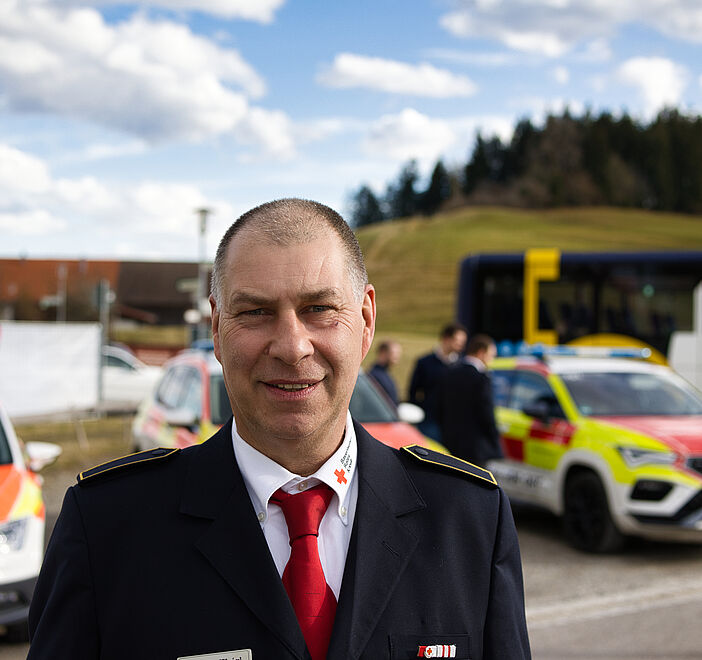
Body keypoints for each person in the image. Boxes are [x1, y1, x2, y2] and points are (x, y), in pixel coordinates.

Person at [27, 199, 530, 659]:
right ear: (217, 329)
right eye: (256, 312)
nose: (292, 347)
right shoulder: (107, 528)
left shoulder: (469, 520)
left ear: (366, 319)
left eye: (319, 309)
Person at [438, 333, 503, 467]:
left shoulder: (450, 372)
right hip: (475, 446)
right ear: (481, 352)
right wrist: (494, 439)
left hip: (451, 441)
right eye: (491, 355)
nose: (492, 360)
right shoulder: (481, 378)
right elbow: (486, 413)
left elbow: (440, 405)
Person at [407, 322, 466, 440]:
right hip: (429, 421)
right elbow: (413, 391)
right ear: (446, 338)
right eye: (458, 341)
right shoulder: (424, 362)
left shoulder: (462, 365)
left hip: (454, 423)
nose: (461, 345)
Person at [367, 339, 401, 406]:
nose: (396, 357)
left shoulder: (385, 374)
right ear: (383, 353)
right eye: (393, 353)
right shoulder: (374, 376)